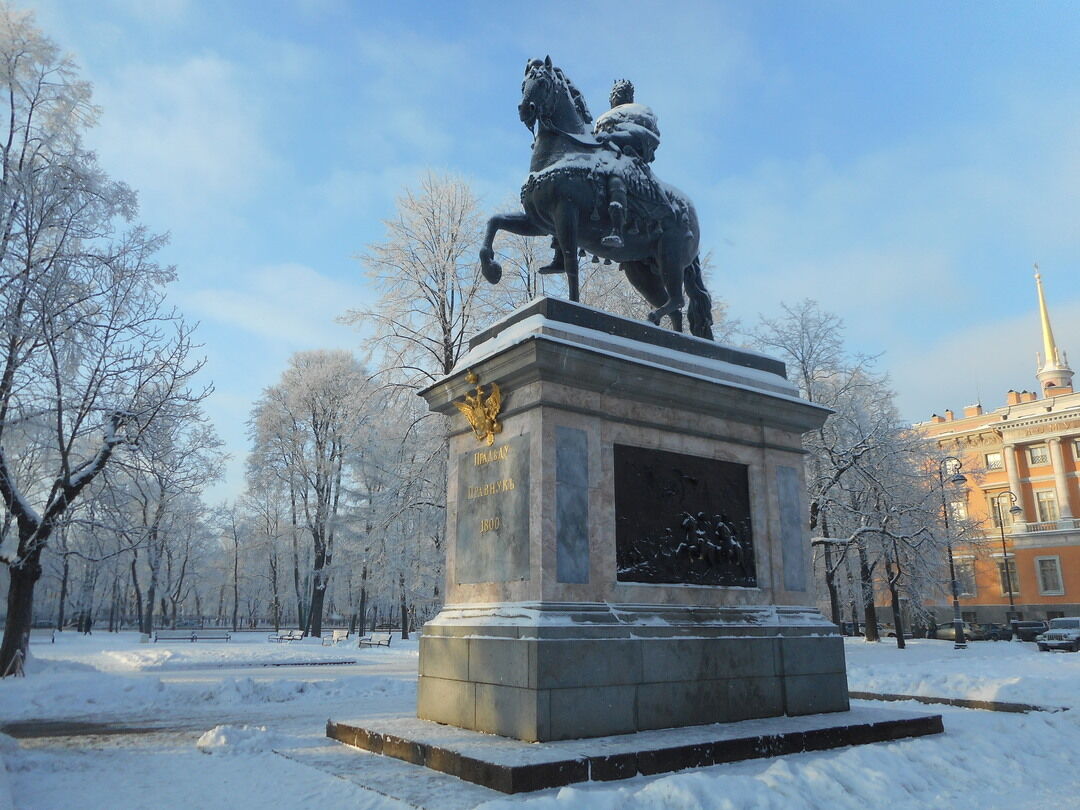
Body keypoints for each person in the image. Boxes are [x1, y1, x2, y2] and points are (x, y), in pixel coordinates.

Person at [538, 79, 662, 273]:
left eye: (620, 93)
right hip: (602, 157)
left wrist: (615, 137)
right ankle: (561, 253)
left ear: (629, 95)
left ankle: (617, 230)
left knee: (615, 177)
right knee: (570, 188)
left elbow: (649, 137)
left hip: (627, 158)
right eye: (614, 93)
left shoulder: (641, 111)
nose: (615, 96)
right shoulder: (602, 118)